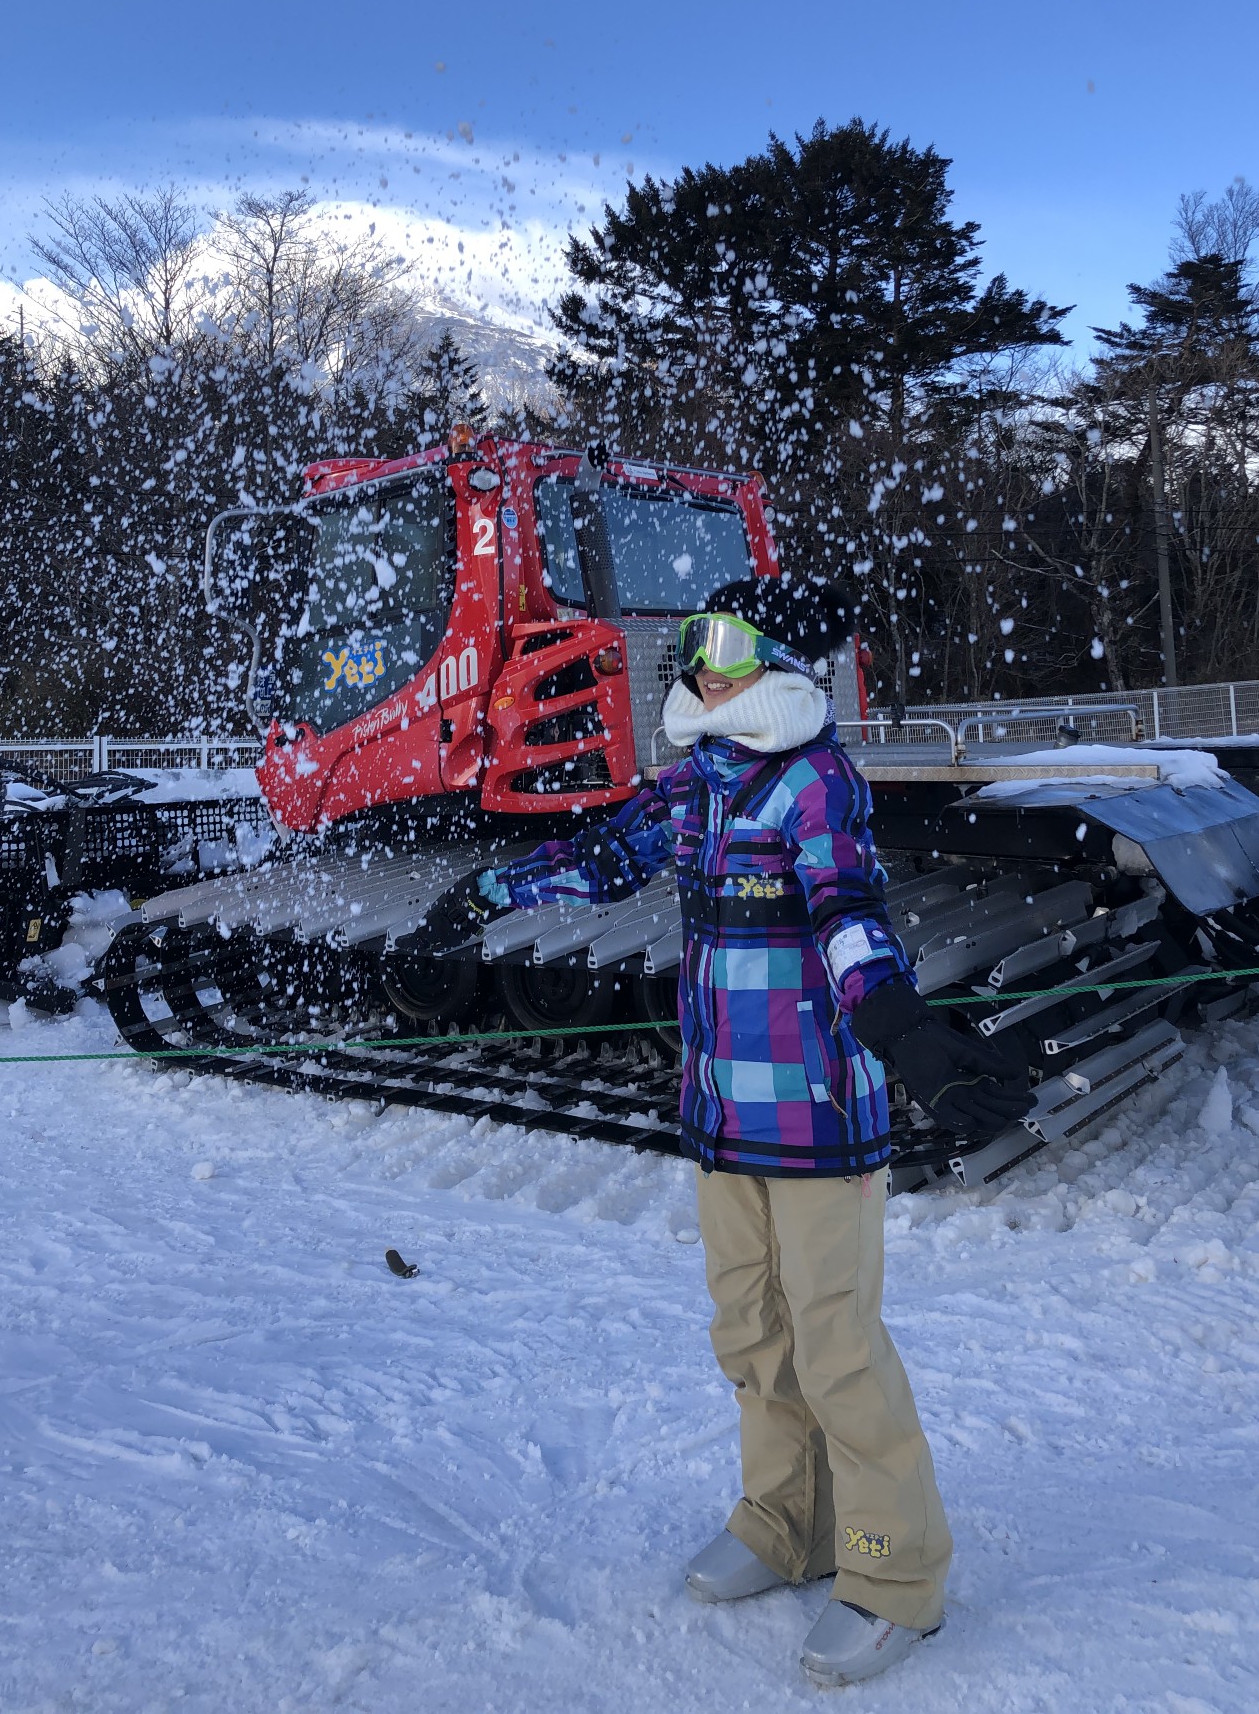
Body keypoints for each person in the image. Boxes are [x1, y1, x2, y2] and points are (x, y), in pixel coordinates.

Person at [425, 578, 1029, 1687]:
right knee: (752, 1332)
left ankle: (895, 1572)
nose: (707, 666)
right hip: (720, 1112)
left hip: (814, 1118)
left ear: (785, 664)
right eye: (695, 643)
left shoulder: (814, 783)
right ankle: (784, 1521)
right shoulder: (700, 782)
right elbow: (607, 856)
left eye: (733, 646)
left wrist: (904, 1033)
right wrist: (485, 891)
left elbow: (849, 916)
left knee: (837, 1347)